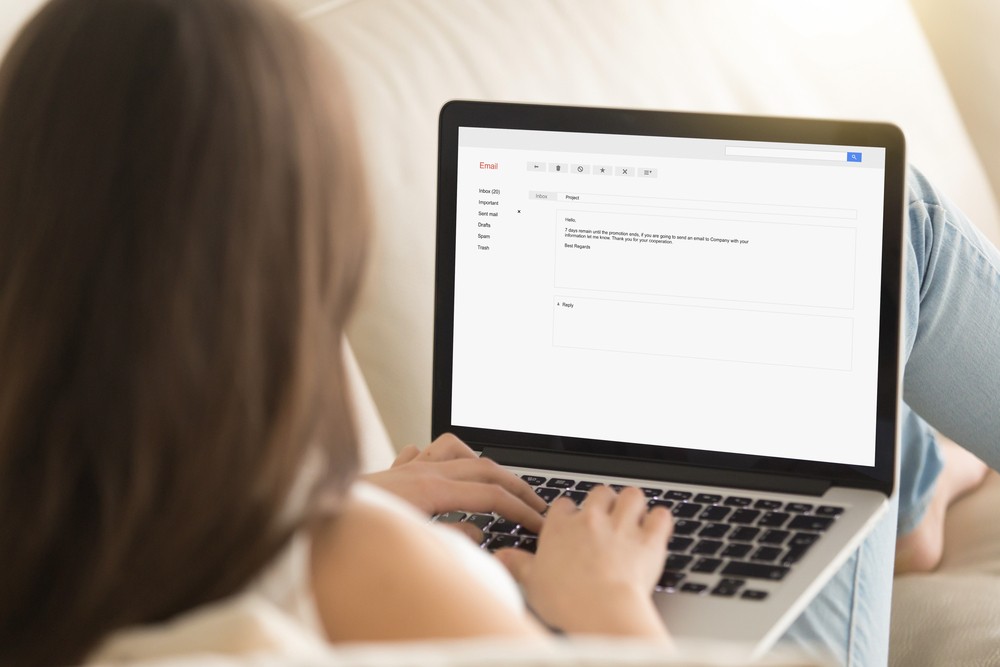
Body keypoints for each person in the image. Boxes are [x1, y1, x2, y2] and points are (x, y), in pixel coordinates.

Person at [0, 1, 998, 666]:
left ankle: (903, 486)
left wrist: (323, 506)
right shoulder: (364, 566)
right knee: (895, 228)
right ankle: (906, 481)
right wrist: (603, 603)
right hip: (616, 611)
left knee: (829, 380)